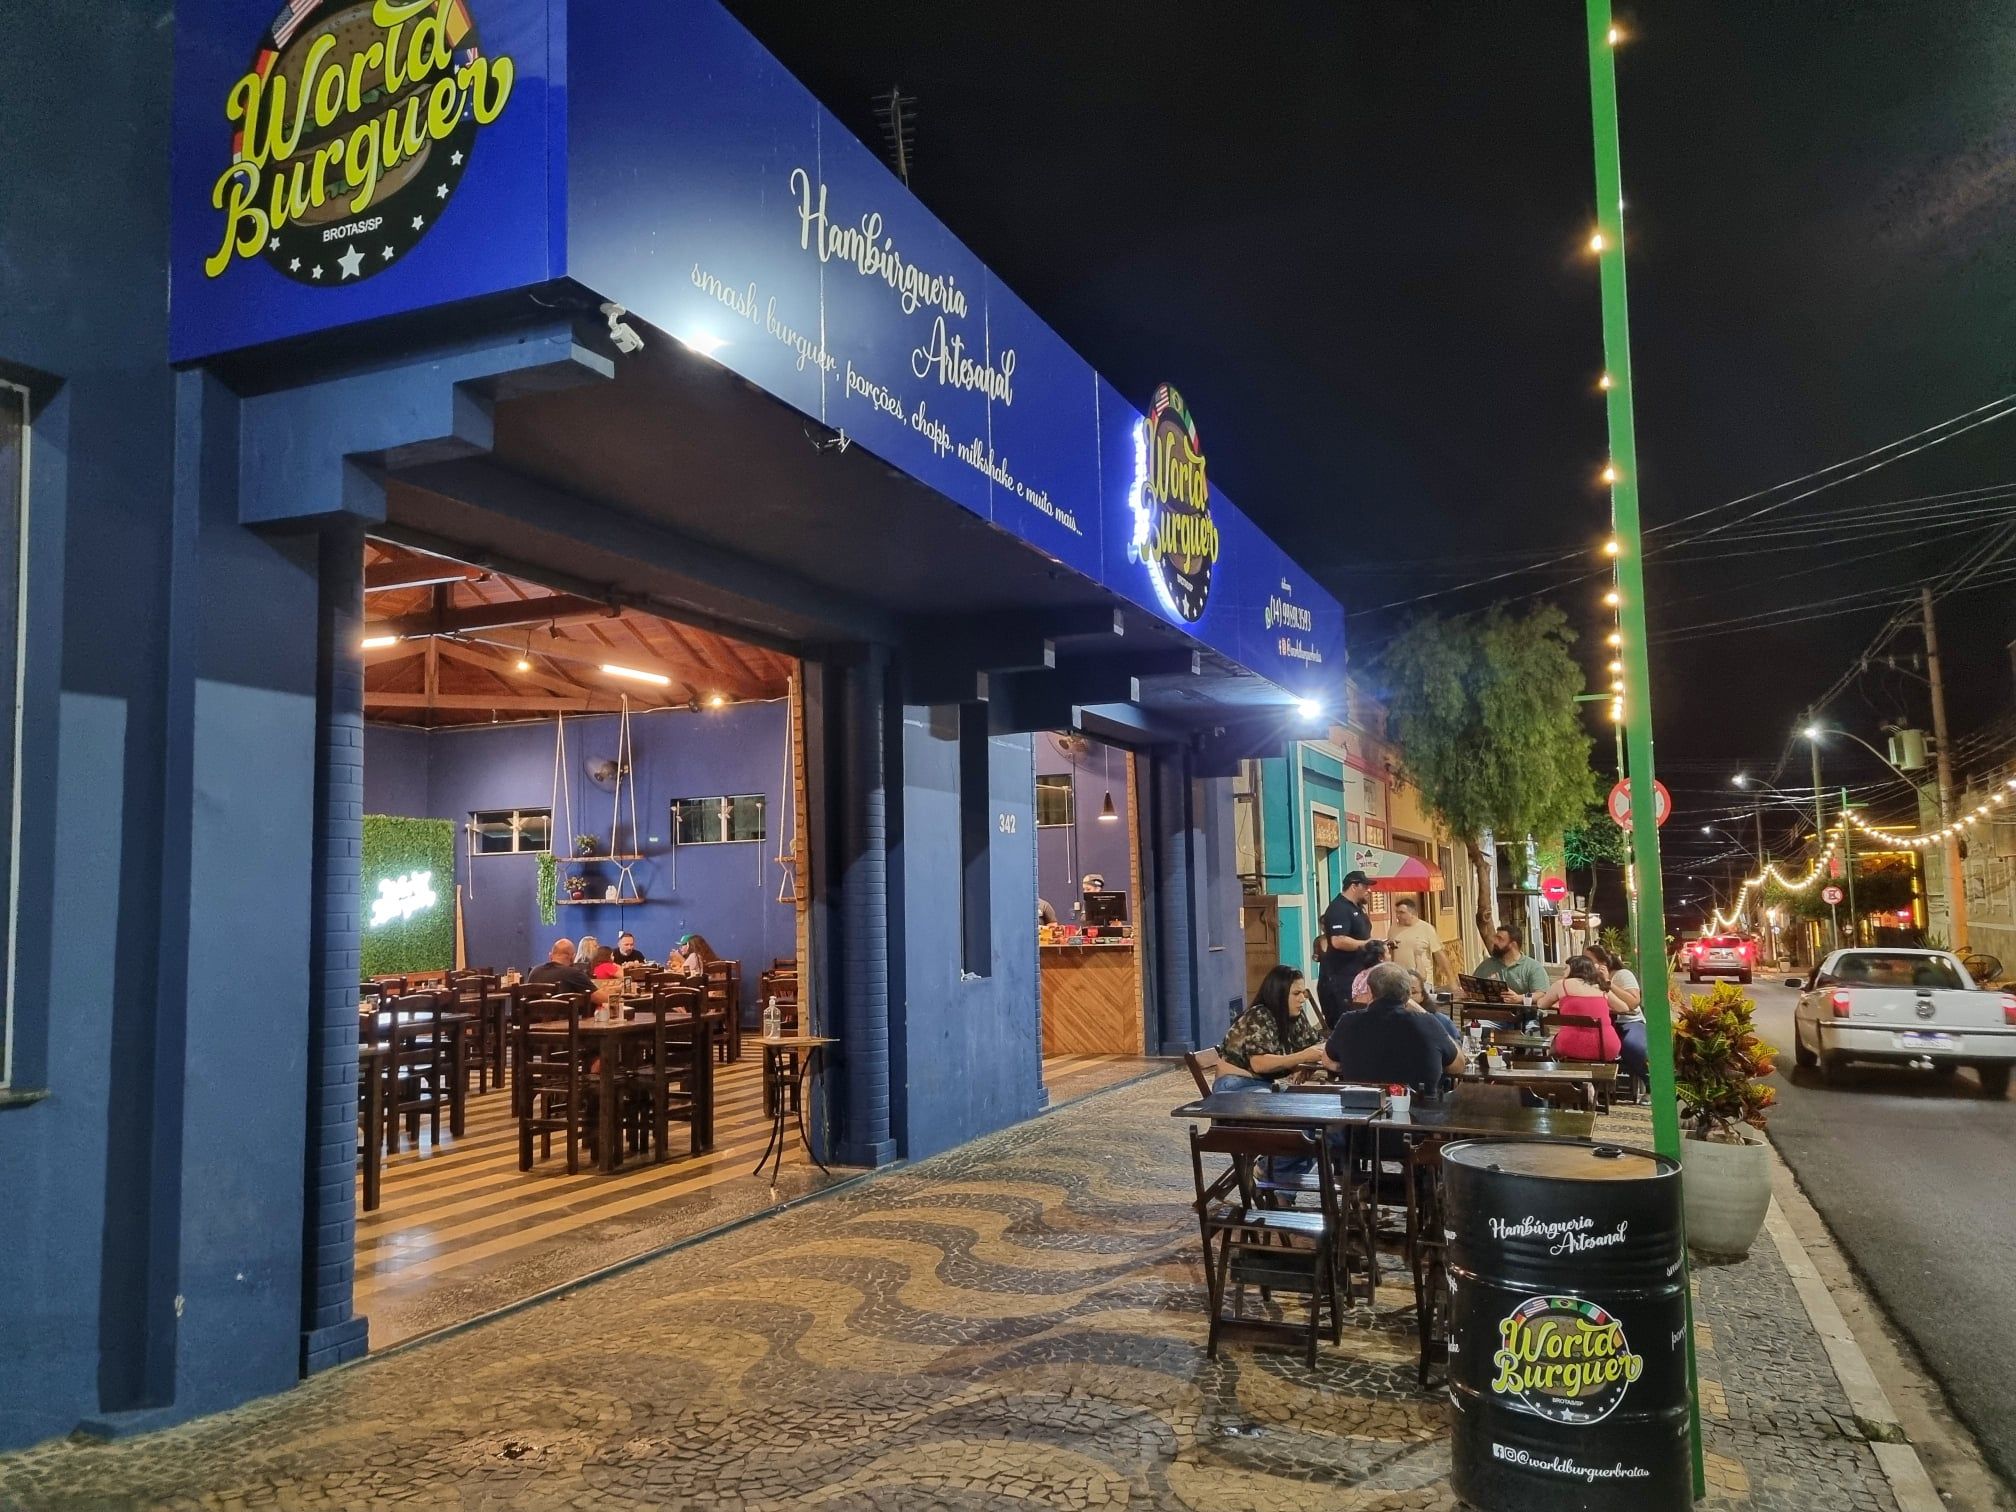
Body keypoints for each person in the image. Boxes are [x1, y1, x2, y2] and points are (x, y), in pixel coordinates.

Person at [1322, 962, 1466, 1095]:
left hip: (1363, 1109)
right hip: (1418, 1111)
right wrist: (1422, 1011)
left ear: (1370, 991)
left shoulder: (1348, 1022)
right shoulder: (1427, 1023)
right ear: (1407, 994)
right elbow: (1458, 1066)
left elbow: (1328, 1062)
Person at [1214, 965, 1328, 1089]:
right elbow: (1259, 1064)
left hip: (1264, 1083)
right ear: (1279, 994)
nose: (1302, 999)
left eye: (1303, 993)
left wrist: (1308, 1065)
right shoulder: (1259, 1015)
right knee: (1280, 1100)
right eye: (1296, 993)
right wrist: (1302, 1057)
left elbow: (1320, 1045)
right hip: (1236, 1081)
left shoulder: (1295, 1015)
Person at [1316, 870, 1378, 1026]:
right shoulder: (1339, 909)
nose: (1369, 890)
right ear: (1353, 886)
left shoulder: (1356, 908)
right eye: (1365, 886)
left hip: (1357, 976)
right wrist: (1366, 944)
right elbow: (1338, 940)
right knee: (1346, 1024)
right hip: (1341, 979)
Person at [1536, 957, 1623, 1062]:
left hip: (1570, 1044)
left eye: (1566, 968)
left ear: (1573, 968)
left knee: (1554, 1045)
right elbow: (1623, 1007)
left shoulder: (1562, 984)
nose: (1563, 971)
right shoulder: (1600, 987)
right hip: (1606, 1047)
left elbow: (1541, 1004)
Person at [1387, 898, 1451, 990]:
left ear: (1412, 913)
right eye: (1397, 912)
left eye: (1402, 912)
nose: (1398, 915)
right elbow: (1390, 953)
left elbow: (1440, 956)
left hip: (1422, 982)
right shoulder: (1393, 929)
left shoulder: (1427, 929)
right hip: (1400, 982)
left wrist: (1452, 981)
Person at [1473, 923, 1550, 999]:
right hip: (1491, 1007)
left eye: (1500, 939)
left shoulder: (1533, 967)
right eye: (1495, 938)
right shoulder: (1486, 965)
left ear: (1513, 944)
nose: (1495, 942)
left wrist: (1520, 998)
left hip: (1521, 1007)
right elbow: (1473, 988)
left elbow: (1541, 994)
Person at [527, 938, 596, 997]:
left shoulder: (534, 971)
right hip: (564, 1009)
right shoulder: (574, 973)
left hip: (533, 1009)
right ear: (572, 957)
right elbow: (599, 998)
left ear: (550, 955)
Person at [1349, 939, 1390, 1005]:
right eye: (1388, 953)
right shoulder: (1384, 976)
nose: (1390, 956)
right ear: (1380, 958)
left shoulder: (1359, 976)